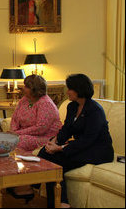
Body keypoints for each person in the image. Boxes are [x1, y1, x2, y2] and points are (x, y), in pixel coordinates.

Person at [38, 74, 114, 208]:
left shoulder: (95, 110)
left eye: (70, 89)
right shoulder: (72, 106)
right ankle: (57, 202)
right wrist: (55, 142)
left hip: (98, 150)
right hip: (81, 147)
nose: (67, 92)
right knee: (45, 152)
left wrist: (60, 148)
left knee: (53, 162)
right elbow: (67, 129)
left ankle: (60, 203)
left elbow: (88, 140)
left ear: (79, 89)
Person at [6, 74, 62, 202]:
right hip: (26, 133)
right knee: (8, 139)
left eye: (26, 86)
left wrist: (18, 134)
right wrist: (14, 131)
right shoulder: (24, 100)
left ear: (35, 89)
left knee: (19, 141)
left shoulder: (45, 103)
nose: (23, 88)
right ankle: (12, 179)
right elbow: (15, 118)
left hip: (46, 137)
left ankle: (25, 185)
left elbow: (40, 128)